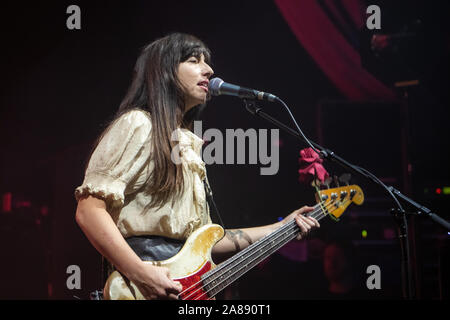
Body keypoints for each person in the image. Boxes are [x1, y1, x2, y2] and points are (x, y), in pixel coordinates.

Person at [74, 32, 320, 300]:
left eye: (207, 61)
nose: (209, 69)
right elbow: (89, 211)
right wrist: (140, 273)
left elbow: (206, 242)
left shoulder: (187, 146)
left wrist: (283, 227)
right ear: (165, 71)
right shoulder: (139, 125)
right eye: (194, 60)